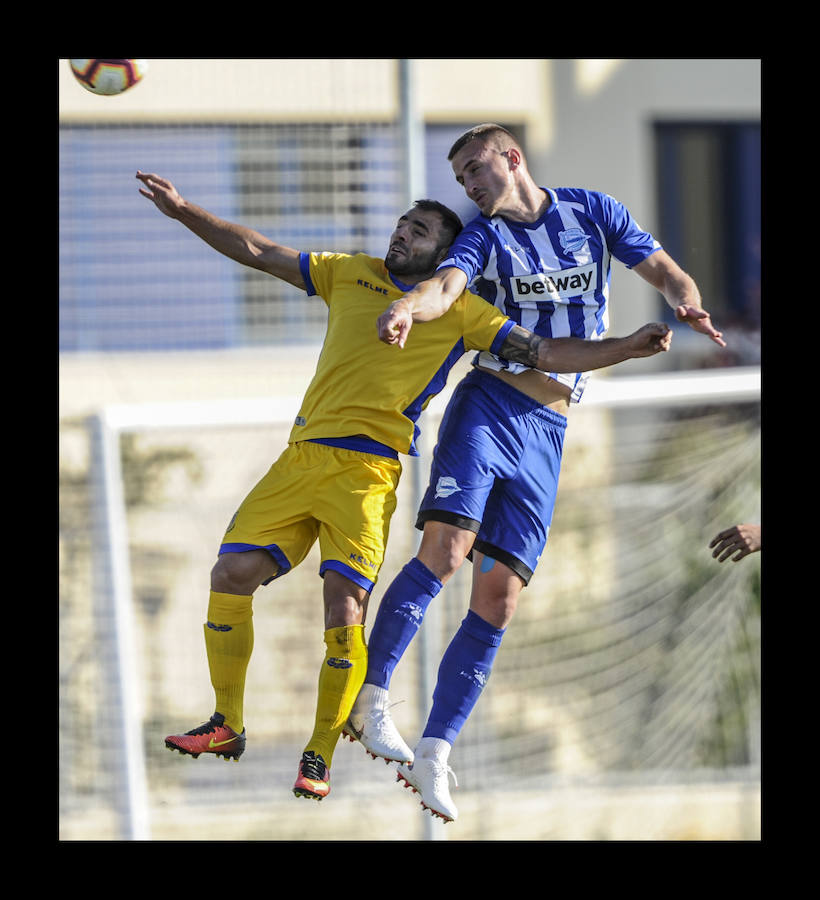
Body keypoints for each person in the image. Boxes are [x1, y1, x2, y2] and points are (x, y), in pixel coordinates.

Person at [135, 169, 673, 803]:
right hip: (301, 457)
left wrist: (626, 350)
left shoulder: (466, 313)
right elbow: (257, 249)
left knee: (343, 611)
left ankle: (320, 752)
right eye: (399, 225)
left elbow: (547, 354)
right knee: (230, 575)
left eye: (417, 230)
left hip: (366, 474)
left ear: (441, 254)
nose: (400, 235)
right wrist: (182, 211)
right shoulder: (345, 271)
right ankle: (227, 724)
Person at [346, 123, 727, 823]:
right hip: (489, 405)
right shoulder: (482, 238)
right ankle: (369, 699)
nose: (468, 186)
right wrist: (406, 304)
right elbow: (445, 287)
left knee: (499, 600)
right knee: (447, 552)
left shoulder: (593, 211)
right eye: (459, 179)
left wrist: (684, 299)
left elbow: (666, 268)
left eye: (474, 170)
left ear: (510, 157)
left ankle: (435, 750)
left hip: (550, 431)